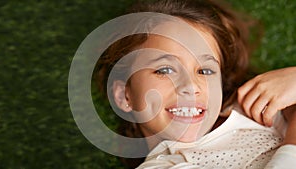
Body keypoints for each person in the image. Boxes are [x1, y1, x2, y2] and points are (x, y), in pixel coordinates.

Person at [94, 0, 296, 168]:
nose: (191, 86)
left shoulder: (256, 108)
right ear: (124, 96)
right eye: (164, 70)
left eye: (205, 70)